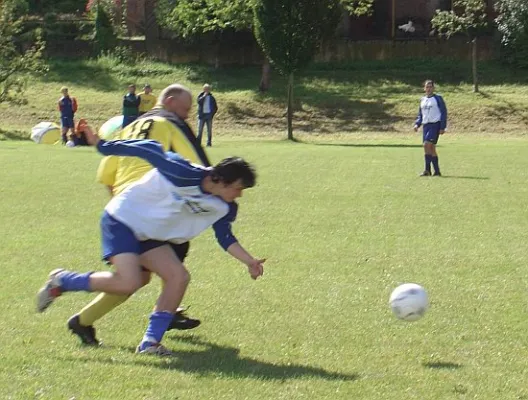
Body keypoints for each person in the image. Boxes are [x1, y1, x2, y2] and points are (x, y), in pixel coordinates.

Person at [37, 133, 265, 357]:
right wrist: (103, 145)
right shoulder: (182, 171)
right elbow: (147, 148)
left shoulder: (225, 206)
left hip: (150, 235)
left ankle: (150, 343)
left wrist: (250, 261)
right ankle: (63, 280)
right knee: (129, 282)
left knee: (178, 276)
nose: (240, 194)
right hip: (123, 220)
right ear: (220, 180)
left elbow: (225, 236)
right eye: (238, 188)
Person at [67, 84, 210, 346]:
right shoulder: (171, 123)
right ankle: (164, 318)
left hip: (126, 208)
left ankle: (84, 320)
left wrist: (123, 208)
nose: (187, 114)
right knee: (165, 270)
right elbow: (200, 166)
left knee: (139, 275)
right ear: (168, 101)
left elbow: (106, 175)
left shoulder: (129, 127)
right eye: (185, 108)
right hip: (153, 208)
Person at [413, 80, 447, 177]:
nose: (428, 88)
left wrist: (442, 126)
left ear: (433, 88)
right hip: (426, 126)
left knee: (426, 145)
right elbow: (420, 114)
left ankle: (427, 170)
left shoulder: (438, 99)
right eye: (427, 87)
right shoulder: (423, 100)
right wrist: (417, 124)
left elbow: (443, 113)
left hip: (435, 124)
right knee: (431, 148)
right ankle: (436, 171)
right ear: (424, 88)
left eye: (430, 87)